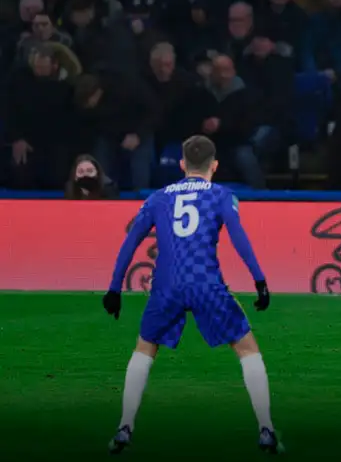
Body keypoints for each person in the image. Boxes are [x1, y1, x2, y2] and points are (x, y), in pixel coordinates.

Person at [101, 136, 282, 454]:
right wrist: (260, 281)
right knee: (246, 347)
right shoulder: (221, 195)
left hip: (167, 285)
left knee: (145, 349)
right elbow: (238, 237)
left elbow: (131, 241)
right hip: (205, 283)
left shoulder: (159, 198)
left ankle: (124, 426)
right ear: (215, 166)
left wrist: (114, 287)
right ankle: (266, 428)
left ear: (182, 165)